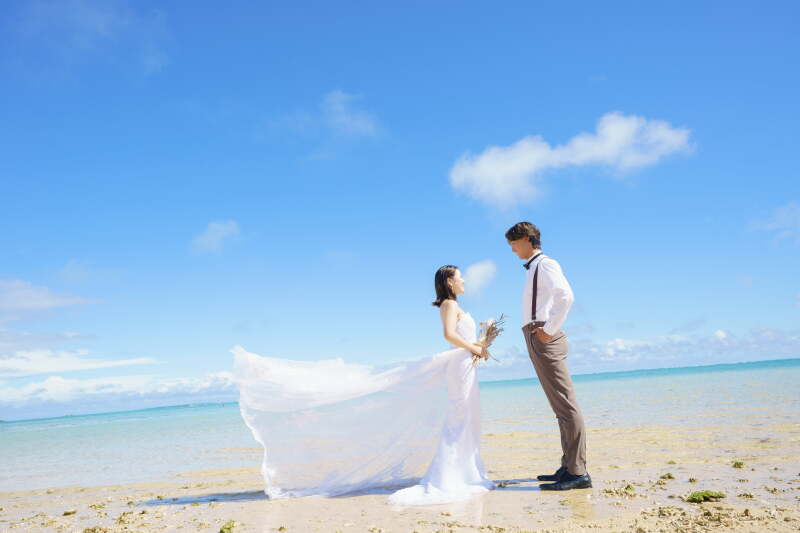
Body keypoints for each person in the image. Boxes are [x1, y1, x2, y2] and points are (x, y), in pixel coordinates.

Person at [232, 265, 496, 504]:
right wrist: (476, 348)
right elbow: (448, 335)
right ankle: (449, 477)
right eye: (460, 277)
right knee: (458, 419)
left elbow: (462, 338)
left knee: (468, 417)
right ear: (449, 282)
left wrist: (481, 342)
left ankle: (467, 472)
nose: (464, 281)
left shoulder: (455, 305)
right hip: (459, 365)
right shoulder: (448, 304)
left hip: (465, 364)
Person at [506, 221, 591, 490]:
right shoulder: (534, 267)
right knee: (560, 408)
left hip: (543, 335)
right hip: (536, 335)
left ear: (526, 239)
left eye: (513, 243)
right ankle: (568, 467)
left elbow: (566, 296)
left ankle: (578, 473)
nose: (512, 249)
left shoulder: (545, 264)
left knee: (566, 405)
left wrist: (547, 330)